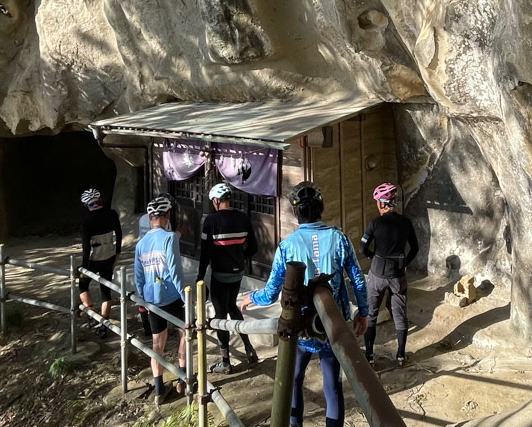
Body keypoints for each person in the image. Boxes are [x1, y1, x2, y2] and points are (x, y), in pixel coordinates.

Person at [241, 182, 367, 427]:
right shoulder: (339, 238)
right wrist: (363, 313)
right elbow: (358, 280)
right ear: (322, 207)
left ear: (294, 212)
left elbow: (270, 294)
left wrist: (251, 298)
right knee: (332, 385)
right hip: (333, 324)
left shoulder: (287, 246)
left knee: (293, 380)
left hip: (300, 328)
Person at [198, 182, 260, 372]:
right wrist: (240, 257)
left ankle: (225, 362)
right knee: (233, 305)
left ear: (216, 201)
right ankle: (249, 348)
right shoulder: (243, 218)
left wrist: (200, 277)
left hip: (219, 274)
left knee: (220, 315)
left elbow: (205, 252)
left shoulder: (210, 221)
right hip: (238, 272)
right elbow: (254, 247)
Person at [134, 196, 188, 405]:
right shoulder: (169, 238)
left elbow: (138, 275)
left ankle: (158, 389)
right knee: (185, 332)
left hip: (151, 298)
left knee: (158, 342)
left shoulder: (141, 244)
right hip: (171, 295)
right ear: (167, 216)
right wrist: (185, 296)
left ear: (149, 217)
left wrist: (142, 299)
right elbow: (175, 271)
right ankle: (182, 379)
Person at [360, 183, 419, 367]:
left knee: (372, 315)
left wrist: (374, 257)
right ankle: (400, 356)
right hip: (397, 276)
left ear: (382, 204)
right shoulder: (406, 222)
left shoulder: (375, 223)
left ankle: (369, 356)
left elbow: (363, 248)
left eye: (377, 202)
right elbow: (415, 248)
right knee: (400, 315)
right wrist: (404, 264)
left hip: (377, 274)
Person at [78, 188, 122, 339]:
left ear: (85, 205)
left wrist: (83, 266)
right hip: (109, 255)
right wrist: (117, 253)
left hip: (93, 258)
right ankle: (104, 325)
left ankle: (90, 315)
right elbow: (120, 234)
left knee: (83, 285)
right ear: (100, 200)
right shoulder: (112, 214)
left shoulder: (86, 221)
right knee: (106, 291)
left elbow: (86, 247)